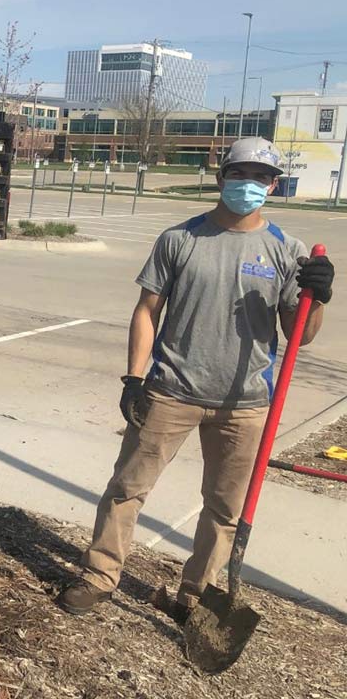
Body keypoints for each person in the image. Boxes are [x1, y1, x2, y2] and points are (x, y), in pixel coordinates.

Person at [59, 137, 334, 619]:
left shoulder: (286, 251)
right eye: (239, 173)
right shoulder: (179, 239)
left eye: (260, 177)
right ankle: (100, 574)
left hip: (245, 404)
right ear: (221, 176)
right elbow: (146, 311)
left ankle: (195, 594)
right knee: (127, 488)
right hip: (170, 391)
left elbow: (299, 336)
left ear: (273, 184)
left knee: (225, 509)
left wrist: (318, 297)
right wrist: (133, 378)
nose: (248, 184)